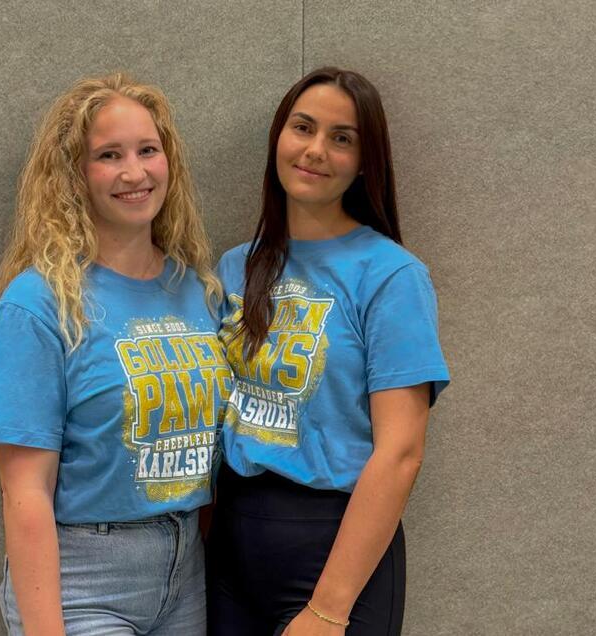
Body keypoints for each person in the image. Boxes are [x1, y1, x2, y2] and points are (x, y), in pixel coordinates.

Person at [0, 73, 232, 635]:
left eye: (148, 150)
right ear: (75, 175)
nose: (135, 172)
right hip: (82, 583)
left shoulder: (197, 291)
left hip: (186, 575)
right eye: (109, 155)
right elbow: (25, 492)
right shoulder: (39, 304)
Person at [206, 67, 451, 635]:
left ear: (365, 162)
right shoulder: (236, 267)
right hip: (232, 550)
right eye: (303, 128)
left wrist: (328, 609)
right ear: (279, 137)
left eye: (342, 138)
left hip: (334, 553)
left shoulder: (391, 275)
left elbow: (401, 452)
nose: (315, 149)